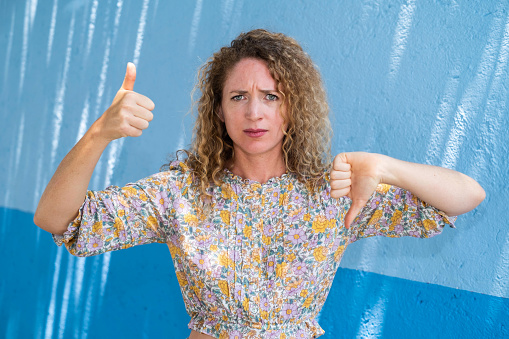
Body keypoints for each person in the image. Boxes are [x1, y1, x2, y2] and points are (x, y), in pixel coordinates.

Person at [34, 29, 485, 339]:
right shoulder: (180, 192)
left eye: (271, 96)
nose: (255, 113)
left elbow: (466, 195)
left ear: (293, 108)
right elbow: (56, 219)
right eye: (239, 97)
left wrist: (384, 166)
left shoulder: (334, 191)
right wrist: (100, 134)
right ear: (219, 111)